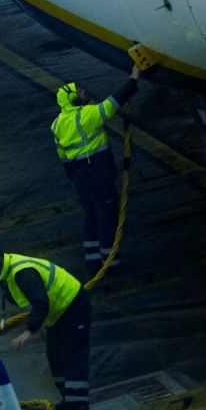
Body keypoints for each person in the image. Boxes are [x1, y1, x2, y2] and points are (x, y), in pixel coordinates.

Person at [0, 251, 94, 410]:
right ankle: (69, 401)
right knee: (55, 358)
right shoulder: (7, 275)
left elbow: (40, 303)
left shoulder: (22, 273)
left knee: (73, 358)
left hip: (73, 306)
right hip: (56, 314)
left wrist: (29, 331)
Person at [51, 64, 140, 275]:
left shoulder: (57, 124)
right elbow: (114, 101)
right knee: (107, 216)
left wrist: (73, 181)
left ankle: (92, 261)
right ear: (73, 99)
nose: (84, 91)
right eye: (79, 91)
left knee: (91, 215)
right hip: (98, 174)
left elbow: (63, 157)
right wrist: (134, 77)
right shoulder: (87, 115)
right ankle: (112, 263)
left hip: (79, 178)